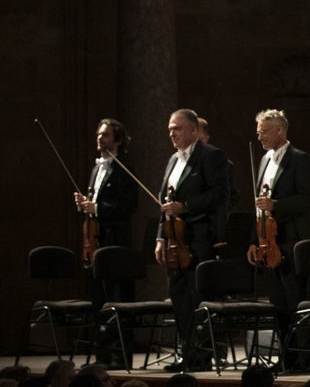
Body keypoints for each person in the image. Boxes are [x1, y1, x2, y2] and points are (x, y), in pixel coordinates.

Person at [155, 108, 230, 372]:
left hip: (199, 240)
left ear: (193, 130)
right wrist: (160, 237)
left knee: (197, 299)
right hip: (174, 240)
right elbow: (164, 203)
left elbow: (220, 194)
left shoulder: (211, 156)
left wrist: (185, 206)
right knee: (179, 299)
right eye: (170, 130)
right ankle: (187, 353)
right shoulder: (172, 160)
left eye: (177, 128)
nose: (172, 134)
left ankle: (202, 356)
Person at [249, 109, 310, 346]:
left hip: (290, 240)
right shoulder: (264, 160)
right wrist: (253, 241)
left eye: (264, 132)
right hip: (268, 242)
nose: (260, 137)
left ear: (280, 130)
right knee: (277, 302)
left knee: (295, 300)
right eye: (258, 133)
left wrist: (276, 205)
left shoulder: (299, 159)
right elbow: (259, 205)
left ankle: (303, 355)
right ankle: (286, 356)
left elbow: (308, 199)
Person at [75, 118, 137, 305]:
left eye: (105, 135)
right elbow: (98, 200)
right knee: (98, 293)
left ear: (118, 140)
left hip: (114, 238)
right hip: (96, 240)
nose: (100, 138)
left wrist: (97, 208)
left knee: (116, 293)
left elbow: (129, 205)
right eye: (98, 134)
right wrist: (85, 204)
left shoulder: (124, 169)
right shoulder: (96, 168)